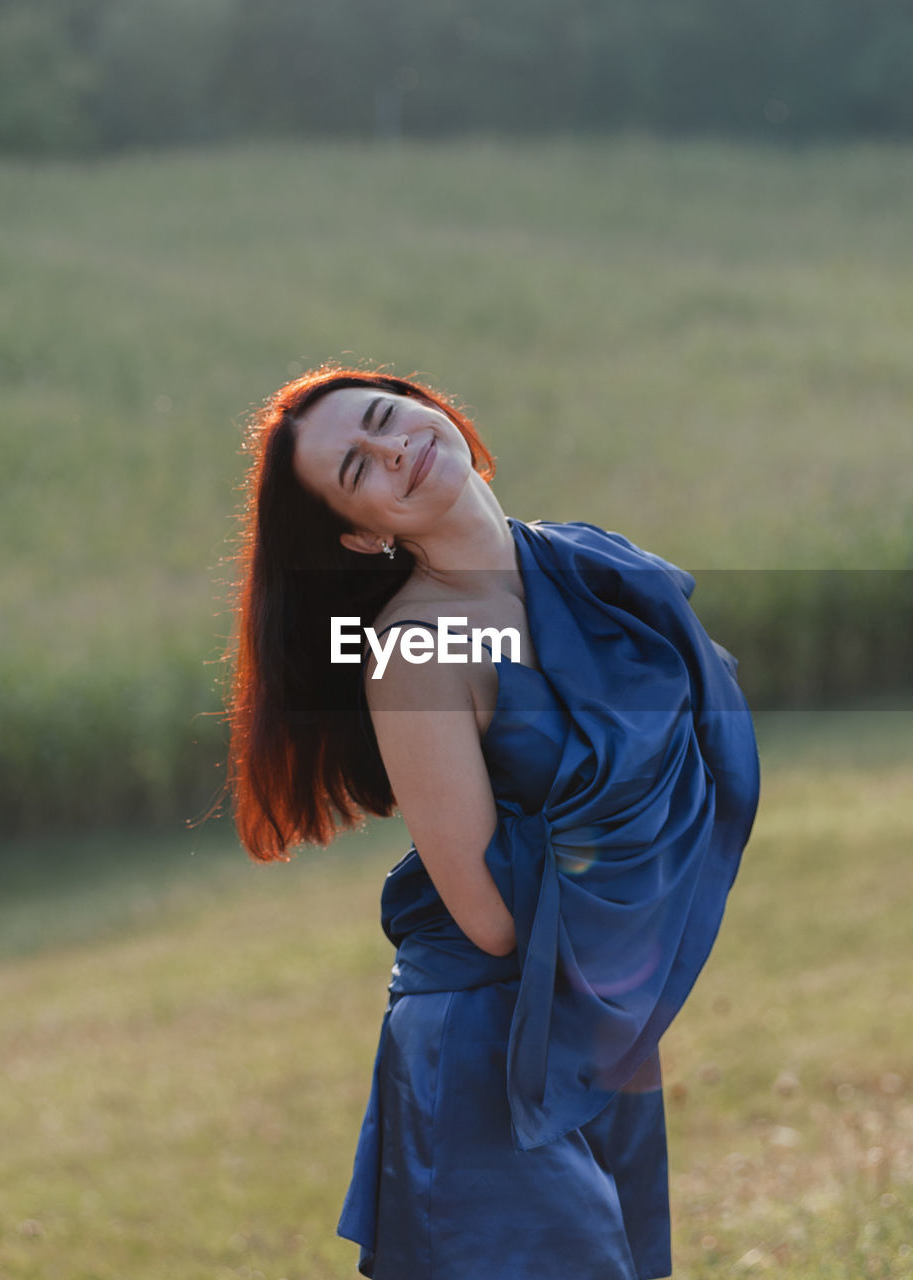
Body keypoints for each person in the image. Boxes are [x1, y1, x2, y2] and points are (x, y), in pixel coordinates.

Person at [226, 365, 760, 1280]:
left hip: (600, 1022)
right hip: (489, 1041)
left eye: (390, 419)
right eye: (359, 470)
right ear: (362, 535)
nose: (395, 449)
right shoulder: (415, 656)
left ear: (438, 412)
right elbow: (487, 911)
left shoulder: (590, 564)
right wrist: (631, 889)